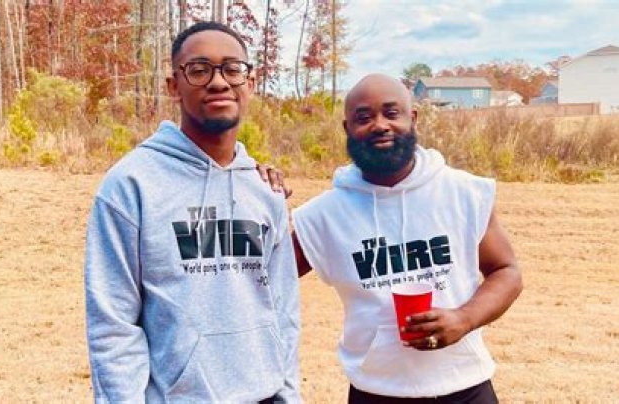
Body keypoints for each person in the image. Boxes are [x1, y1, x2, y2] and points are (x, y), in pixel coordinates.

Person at [84, 21, 300, 403]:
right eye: (199, 70)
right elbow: (112, 324)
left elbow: (283, 311)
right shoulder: (131, 185)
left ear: (250, 82)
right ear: (173, 85)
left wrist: (289, 395)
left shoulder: (266, 191)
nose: (218, 82)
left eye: (232, 69)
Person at [291, 74, 522, 403]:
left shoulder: (464, 193)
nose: (379, 125)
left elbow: (506, 271)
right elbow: (261, 279)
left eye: (391, 113)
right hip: (376, 391)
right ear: (347, 128)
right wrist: (258, 189)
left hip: (465, 386)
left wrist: (464, 318)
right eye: (364, 117)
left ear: (413, 118)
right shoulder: (323, 215)